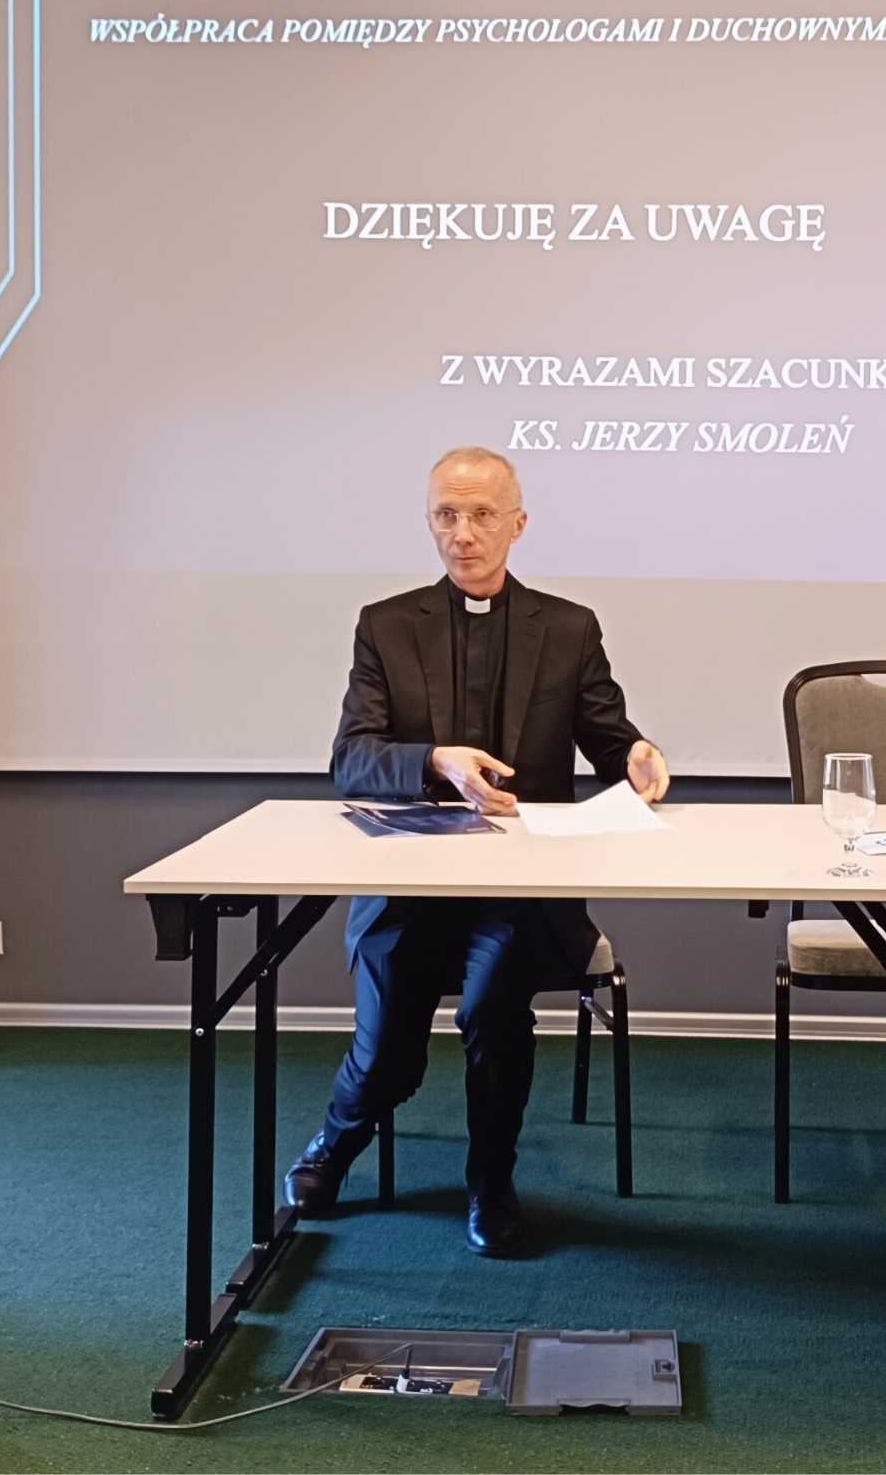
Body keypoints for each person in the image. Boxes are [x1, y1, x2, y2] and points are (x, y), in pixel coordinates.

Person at [283, 446, 670, 1256]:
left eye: (482, 515)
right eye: (446, 515)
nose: (462, 533)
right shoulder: (386, 625)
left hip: (519, 888)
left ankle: (491, 1181)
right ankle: (334, 1144)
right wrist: (435, 762)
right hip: (410, 881)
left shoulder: (567, 627)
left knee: (493, 1013)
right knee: (389, 1055)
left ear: (518, 524)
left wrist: (638, 755)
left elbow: (610, 739)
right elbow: (351, 760)